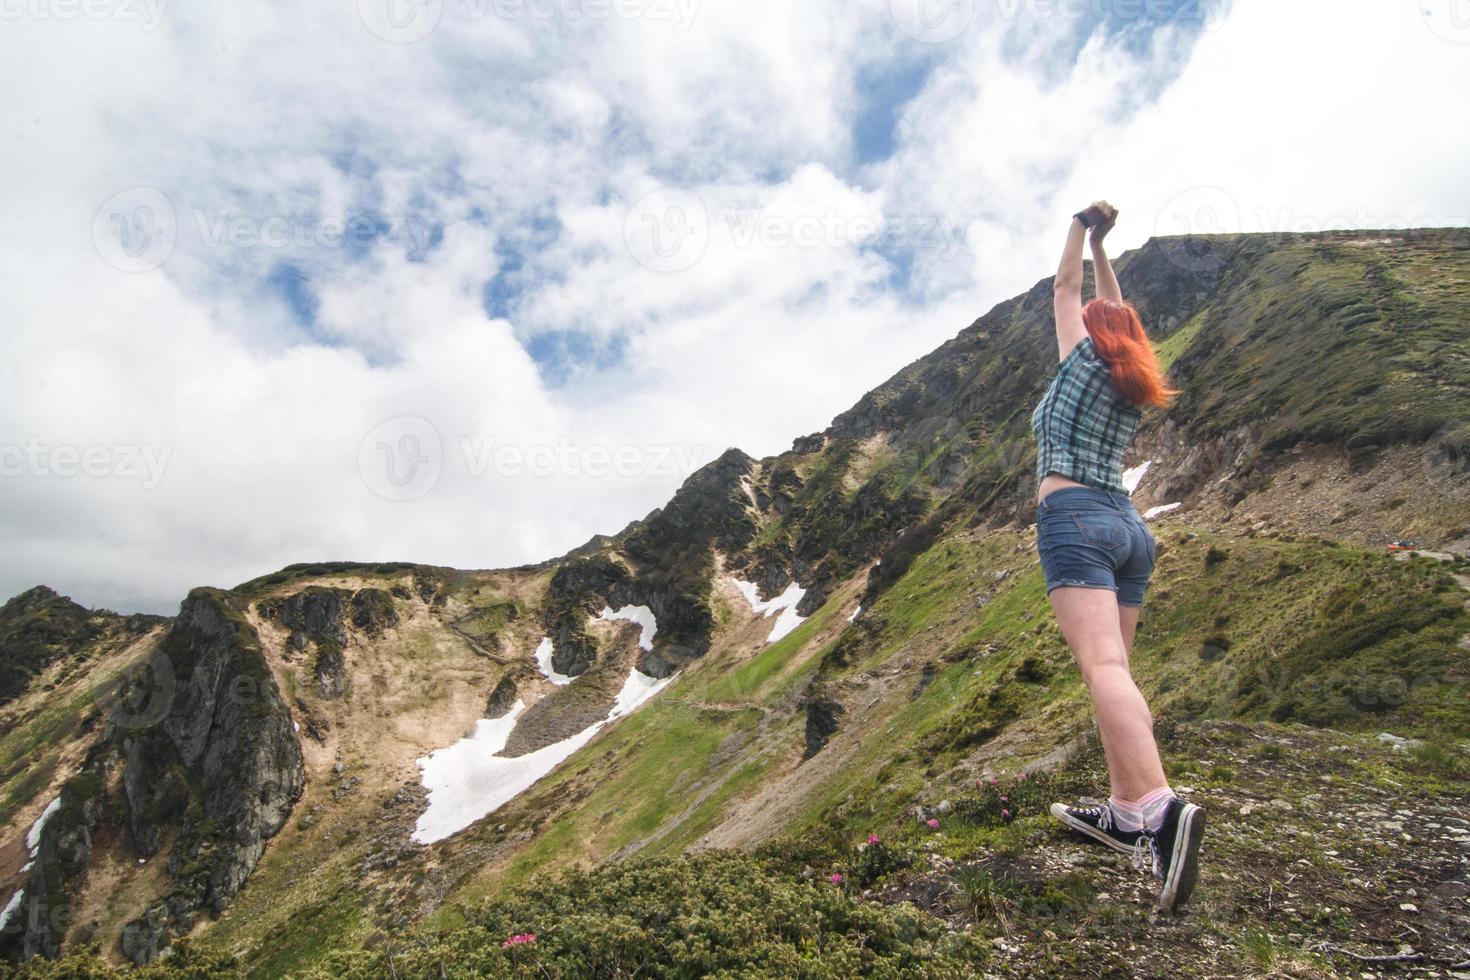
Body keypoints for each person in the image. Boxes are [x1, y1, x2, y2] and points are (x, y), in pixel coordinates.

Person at [1033, 201, 1204, 913]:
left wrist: (1078, 228)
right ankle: (1125, 807)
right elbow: (1114, 308)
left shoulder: (1079, 362)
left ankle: (1162, 810)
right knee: (1117, 672)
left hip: (1074, 517)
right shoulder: (1132, 384)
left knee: (1101, 669)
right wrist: (1107, 248)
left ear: (1094, 335)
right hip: (1128, 528)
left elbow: (1065, 290)